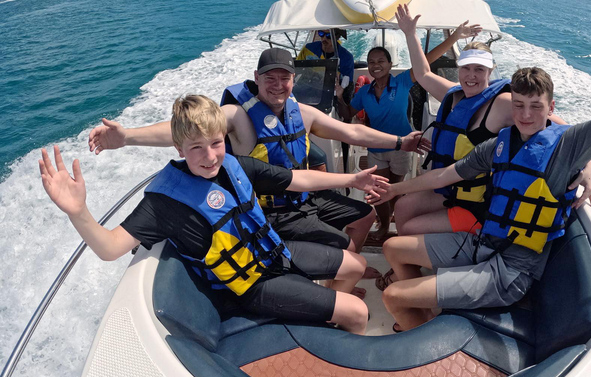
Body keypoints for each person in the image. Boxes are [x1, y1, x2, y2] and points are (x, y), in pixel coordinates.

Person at [370, 10, 591, 331]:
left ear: (550, 107)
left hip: (510, 270)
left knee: (394, 297)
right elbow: (445, 176)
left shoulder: (566, 146)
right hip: (483, 244)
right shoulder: (500, 143)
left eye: (535, 107)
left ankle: (422, 330)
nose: (526, 115)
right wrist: (393, 190)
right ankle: (426, 314)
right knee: (392, 247)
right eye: (520, 106)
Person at [43, 95, 394, 334]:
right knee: (358, 312)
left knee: (357, 265)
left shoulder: (233, 164)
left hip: (272, 253)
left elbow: (297, 178)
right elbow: (110, 247)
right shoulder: (165, 201)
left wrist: (353, 179)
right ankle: (338, 338)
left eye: (215, 143)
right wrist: (78, 212)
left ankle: (324, 318)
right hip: (248, 286)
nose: (210, 156)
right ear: (179, 148)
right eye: (196, 148)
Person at [88, 49, 430, 261]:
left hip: (306, 196)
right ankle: (344, 274)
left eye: (285, 78)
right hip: (269, 212)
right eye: (270, 78)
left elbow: (353, 132)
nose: (278, 84)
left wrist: (401, 142)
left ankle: (344, 270)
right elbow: (190, 127)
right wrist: (127, 137)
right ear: (257, 79)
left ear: (294, 81)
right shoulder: (239, 116)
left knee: (365, 214)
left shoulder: (303, 113)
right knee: (341, 243)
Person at [392, 4, 591, 241]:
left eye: (480, 69)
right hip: (448, 186)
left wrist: (588, 165)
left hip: (477, 203)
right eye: (466, 68)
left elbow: (563, 129)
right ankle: (409, 264)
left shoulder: (502, 103)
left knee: (408, 230)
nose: (472, 75)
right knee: (402, 208)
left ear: (491, 71)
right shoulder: (453, 94)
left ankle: (411, 266)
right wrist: (409, 33)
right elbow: (424, 74)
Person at [334, 21, 482, 242]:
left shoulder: (403, 81)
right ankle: (384, 225)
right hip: (376, 147)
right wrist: (338, 95)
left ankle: (397, 219)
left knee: (397, 189)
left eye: (380, 61)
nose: (375, 66)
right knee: (379, 191)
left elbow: (428, 59)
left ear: (390, 63)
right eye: (371, 62)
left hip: (402, 147)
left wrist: (454, 37)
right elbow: (347, 114)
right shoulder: (364, 92)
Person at [297, 28, 355, 96]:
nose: (324, 38)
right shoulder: (308, 49)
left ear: (337, 36)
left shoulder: (347, 58)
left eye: (328, 35)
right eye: (321, 33)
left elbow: (347, 88)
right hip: (306, 90)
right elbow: (296, 69)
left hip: (330, 94)